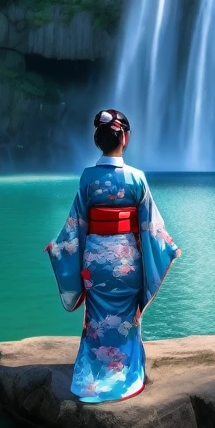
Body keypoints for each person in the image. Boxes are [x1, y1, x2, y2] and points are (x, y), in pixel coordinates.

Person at [45, 109, 180, 403]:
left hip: (95, 263)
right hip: (127, 262)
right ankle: (127, 372)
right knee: (127, 319)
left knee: (96, 318)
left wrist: (59, 249)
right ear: (125, 139)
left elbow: (75, 224)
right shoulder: (136, 178)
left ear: (98, 141)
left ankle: (93, 375)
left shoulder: (87, 178)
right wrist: (168, 246)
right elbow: (151, 226)